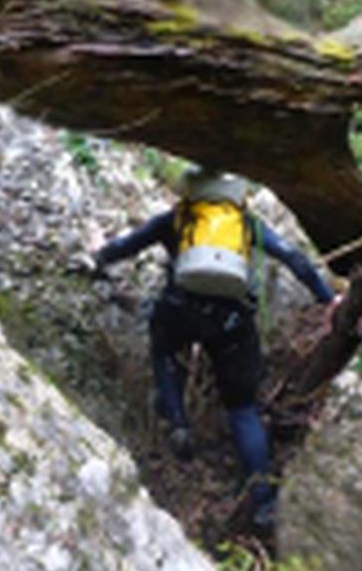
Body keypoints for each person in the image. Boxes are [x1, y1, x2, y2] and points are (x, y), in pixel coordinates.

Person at [93, 167, 339, 530]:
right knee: (242, 408)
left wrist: (98, 257)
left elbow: (124, 247)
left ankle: (177, 420)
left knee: (164, 349)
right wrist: (328, 298)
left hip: (180, 310)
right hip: (232, 323)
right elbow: (294, 259)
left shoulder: (177, 219)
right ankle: (262, 501)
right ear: (237, 194)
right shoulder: (247, 224)